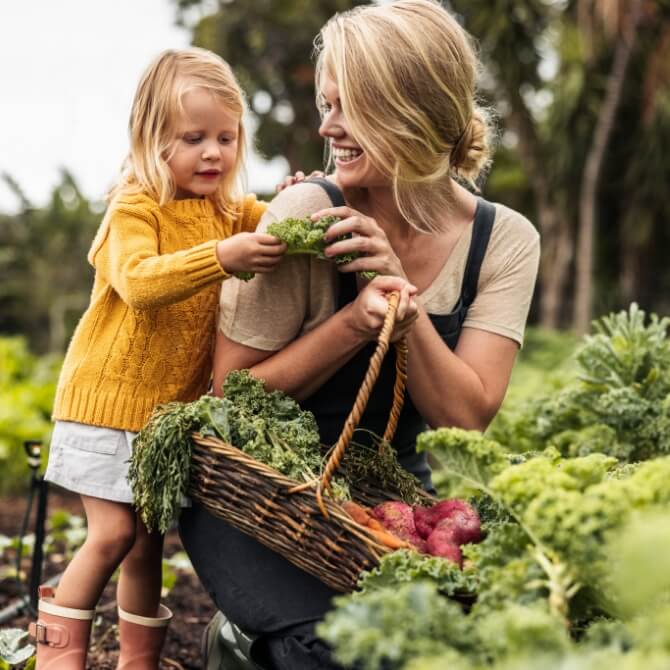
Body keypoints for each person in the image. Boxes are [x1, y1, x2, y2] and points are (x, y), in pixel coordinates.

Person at [180, 1, 540, 668]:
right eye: (326, 104)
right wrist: (353, 322)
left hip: (384, 499)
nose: (326, 127)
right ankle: (238, 642)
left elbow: (465, 414)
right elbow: (230, 395)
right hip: (261, 496)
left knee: (473, 644)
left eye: (347, 107)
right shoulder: (308, 213)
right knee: (336, 652)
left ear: (410, 109)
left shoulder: (503, 240)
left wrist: (400, 296)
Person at [30, 48, 286, 670]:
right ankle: (57, 659)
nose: (213, 154)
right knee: (113, 536)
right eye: (193, 138)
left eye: (226, 138)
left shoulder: (228, 210)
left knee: (146, 549)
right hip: (105, 405)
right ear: (152, 138)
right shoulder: (134, 206)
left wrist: (296, 197)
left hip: (161, 423)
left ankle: (137, 663)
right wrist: (222, 257)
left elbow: (277, 220)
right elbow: (141, 281)